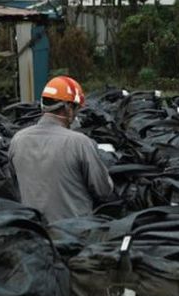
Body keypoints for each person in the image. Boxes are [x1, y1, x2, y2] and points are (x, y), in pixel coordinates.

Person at [8, 76, 116, 222]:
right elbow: (103, 191)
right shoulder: (80, 143)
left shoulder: (17, 140)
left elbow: (16, 187)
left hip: (36, 234)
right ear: (68, 108)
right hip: (75, 235)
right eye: (76, 108)